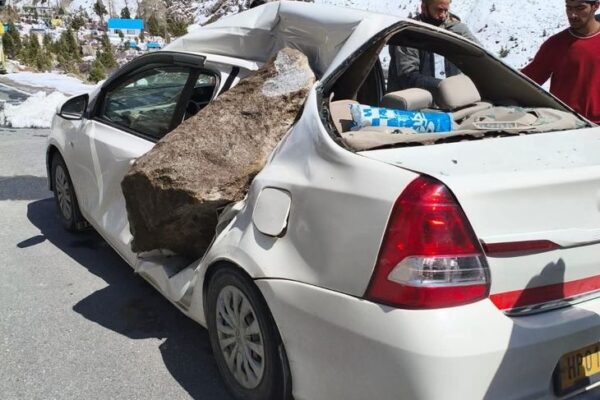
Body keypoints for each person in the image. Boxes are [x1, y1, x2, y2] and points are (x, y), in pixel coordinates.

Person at [522, 0, 600, 124]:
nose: (573, 15)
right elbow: (526, 82)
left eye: (580, 8)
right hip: (567, 124)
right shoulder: (555, 44)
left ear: (595, 6)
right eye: (569, 8)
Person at [387, 0, 480, 93]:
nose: (443, 15)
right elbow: (408, 76)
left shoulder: (458, 31)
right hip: (418, 99)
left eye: (446, 10)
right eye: (439, 10)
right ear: (424, 7)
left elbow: (480, 58)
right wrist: (443, 87)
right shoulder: (410, 34)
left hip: (456, 98)